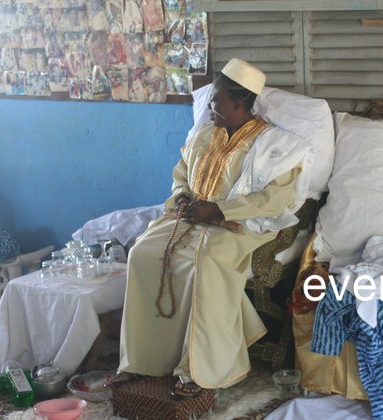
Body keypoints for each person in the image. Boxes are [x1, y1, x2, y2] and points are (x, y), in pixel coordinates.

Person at [115, 58, 304, 398]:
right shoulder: (205, 132)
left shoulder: (273, 146)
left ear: (239, 103)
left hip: (238, 223)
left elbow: (274, 199)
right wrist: (183, 197)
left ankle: (199, 369)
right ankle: (142, 362)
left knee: (206, 263)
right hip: (188, 216)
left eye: (216, 100)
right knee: (142, 253)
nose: (210, 106)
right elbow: (180, 174)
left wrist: (218, 210)